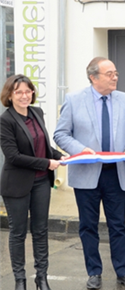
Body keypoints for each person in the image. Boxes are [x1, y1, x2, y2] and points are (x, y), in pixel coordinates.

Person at [54, 57, 125, 290]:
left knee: (118, 226)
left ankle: (123, 271)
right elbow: (61, 134)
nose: (115, 77)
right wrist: (80, 150)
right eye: (109, 73)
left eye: (116, 72)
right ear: (94, 77)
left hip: (116, 173)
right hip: (86, 174)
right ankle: (94, 272)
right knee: (88, 226)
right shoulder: (74, 100)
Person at [0, 75, 64, 290]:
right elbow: (14, 156)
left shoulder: (37, 113)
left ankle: (42, 277)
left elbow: (43, 145)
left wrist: (60, 155)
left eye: (28, 91)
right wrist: (47, 162)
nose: (25, 95)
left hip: (41, 183)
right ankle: (20, 280)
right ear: (10, 95)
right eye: (19, 92)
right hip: (16, 184)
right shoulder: (5, 120)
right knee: (18, 233)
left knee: (41, 230)